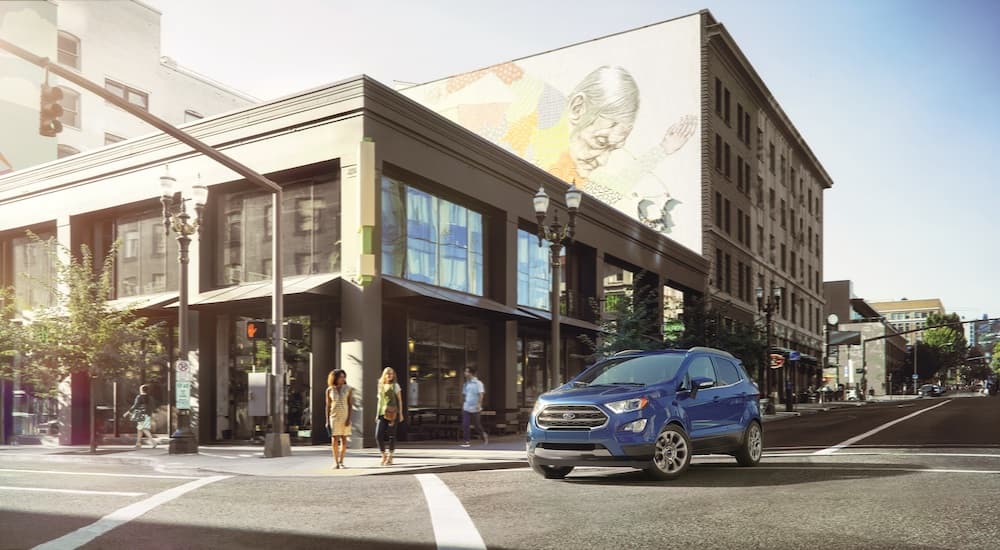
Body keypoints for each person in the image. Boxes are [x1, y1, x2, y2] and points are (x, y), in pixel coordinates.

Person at [376, 367, 404, 466]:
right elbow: (379, 401)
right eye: (388, 374)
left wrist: (400, 413)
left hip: (393, 413)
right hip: (382, 413)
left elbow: (400, 400)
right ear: (384, 375)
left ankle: (390, 457)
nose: (389, 376)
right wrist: (377, 414)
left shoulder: (395, 386)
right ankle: (383, 455)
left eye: (391, 374)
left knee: (392, 435)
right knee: (378, 435)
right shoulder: (381, 386)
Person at [325, 369, 353, 469]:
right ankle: (336, 462)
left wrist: (349, 418)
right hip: (334, 416)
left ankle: (341, 461)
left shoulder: (348, 389)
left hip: (345, 416)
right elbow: (328, 406)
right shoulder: (329, 390)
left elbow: (350, 405)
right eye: (340, 377)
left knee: (344, 439)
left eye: (343, 376)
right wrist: (327, 420)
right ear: (335, 378)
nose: (343, 378)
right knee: (334, 439)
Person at [461, 367, 488, 447]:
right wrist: (463, 404)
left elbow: (481, 394)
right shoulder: (466, 384)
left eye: (466, 372)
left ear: (471, 373)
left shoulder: (478, 383)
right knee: (465, 424)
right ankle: (466, 441)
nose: (465, 373)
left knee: (477, 425)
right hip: (466, 407)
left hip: (476, 407)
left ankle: (483, 435)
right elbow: (464, 395)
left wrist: (479, 404)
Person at [124, 384, 156, 449]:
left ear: (141, 390)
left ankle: (153, 442)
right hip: (147, 414)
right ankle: (138, 443)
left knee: (144, 429)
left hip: (141, 415)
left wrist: (128, 412)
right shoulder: (150, 398)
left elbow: (135, 406)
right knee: (140, 429)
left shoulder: (139, 397)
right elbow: (153, 406)